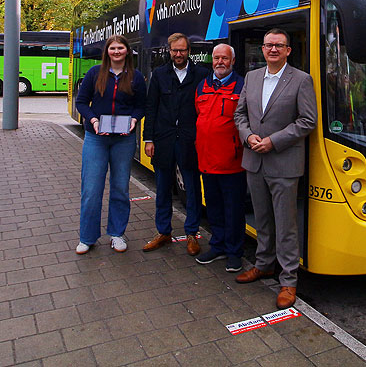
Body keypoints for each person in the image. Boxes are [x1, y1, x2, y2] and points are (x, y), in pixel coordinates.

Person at [233, 28, 317, 309]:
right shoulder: (253, 77)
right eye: (268, 45)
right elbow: (240, 114)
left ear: (288, 50)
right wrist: (247, 136)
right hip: (254, 160)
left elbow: (308, 121)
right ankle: (263, 265)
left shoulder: (302, 80)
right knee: (263, 220)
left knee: (286, 224)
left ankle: (289, 280)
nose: (272, 50)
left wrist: (273, 141)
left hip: (283, 162)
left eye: (278, 46)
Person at [74, 35, 146, 255]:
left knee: (120, 188)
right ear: (107, 51)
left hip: (123, 139)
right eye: (113, 48)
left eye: (121, 48)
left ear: (127, 51)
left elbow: (141, 105)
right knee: (91, 189)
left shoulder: (136, 77)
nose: (116, 51)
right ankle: (87, 237)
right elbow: (81, 102)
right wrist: (93, 120)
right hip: (96, 138)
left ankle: (117, 234)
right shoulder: (95, 73)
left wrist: (134, 120)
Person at [141, 33, 210, 255]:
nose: (178, 54)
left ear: (189, 51)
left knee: (191, 188)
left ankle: (192, 233)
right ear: (169, 51)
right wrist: (148, 139)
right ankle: (163, 232)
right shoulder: (160, 74)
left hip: (190, 140)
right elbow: (151, 108)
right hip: (163, 140)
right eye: (175, 50)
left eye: (182, 50)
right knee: (162, 188)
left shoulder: (202, 74)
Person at [193, 43, 246, 273]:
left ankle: (235, 253)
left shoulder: (242, 85)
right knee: (213, 207)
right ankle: (218, 246)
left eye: (225, 58)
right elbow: (199, 114)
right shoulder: (202, 86)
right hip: (206, 160)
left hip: (232, 162)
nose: (220, 62)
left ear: (232, 61)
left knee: (233, 210)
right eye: (216, 58)